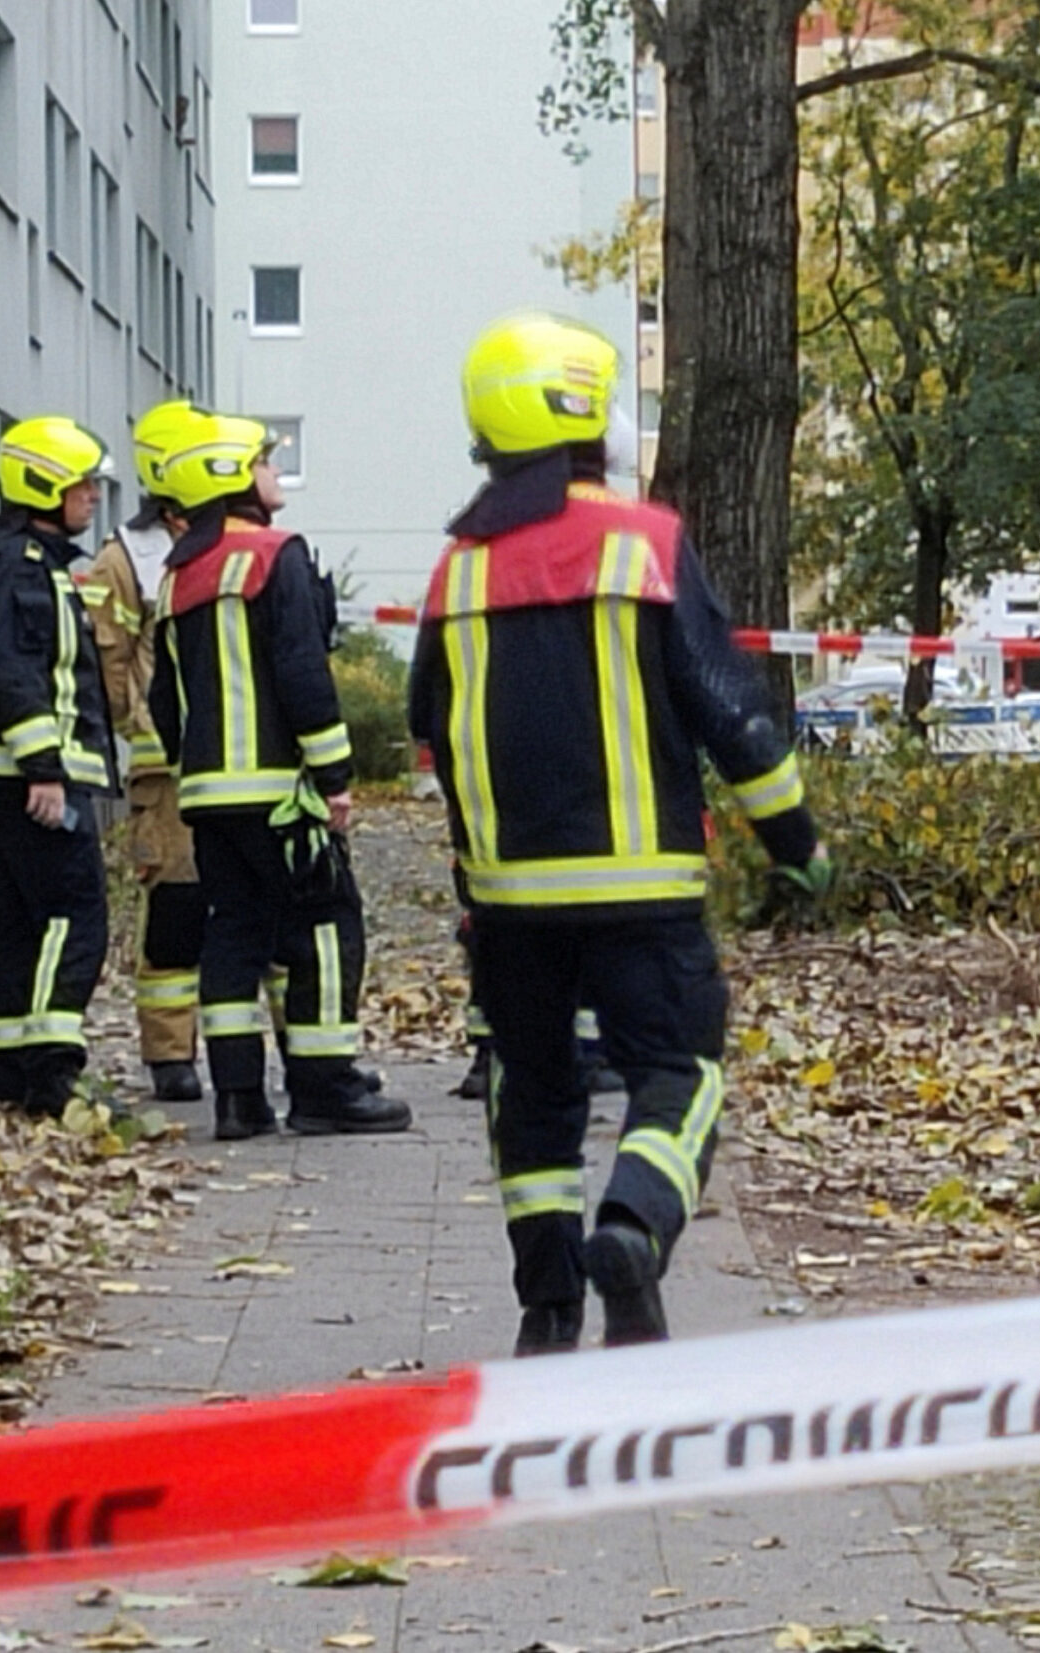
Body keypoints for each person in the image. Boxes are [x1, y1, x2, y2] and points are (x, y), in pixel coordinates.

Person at [409, 312, 831, 1357]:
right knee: (679, 1073)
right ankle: (634, 1227)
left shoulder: (458, 573)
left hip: (510, 904)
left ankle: (548, 1308)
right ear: (586, 416)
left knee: (531, 1094)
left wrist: (473, 878)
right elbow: (731, 713)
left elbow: (432, 727)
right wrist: (796, 844)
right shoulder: (645, 543)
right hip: (645, 895)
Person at [147, 411, 412, 1141]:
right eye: (264, 461)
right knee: (324, 923)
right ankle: (325, 1088)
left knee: (233, 933)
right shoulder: (274, 554)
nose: (272, 470)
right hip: (277, 794)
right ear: (234, 477)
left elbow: (163, 699)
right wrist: (334, 775)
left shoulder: (177, 577)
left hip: (207, 797)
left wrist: (194, 774)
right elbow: (302, 671)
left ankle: (238, 1098)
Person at [0, 416, 120, 1118]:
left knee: (21, 918)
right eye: (82, 484)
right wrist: (44, 768)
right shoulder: (21, 567)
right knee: (74, 914)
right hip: (32, 777)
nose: (92, 496)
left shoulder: (22, 561)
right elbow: (13, 673)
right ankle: (52, 1069)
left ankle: (11, 1063)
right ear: (45, 488)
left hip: (13, 773)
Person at [83, 400, 207, 1103]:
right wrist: (143, 736)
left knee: (265, 909)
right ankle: (169, 1054)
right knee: (176, 910)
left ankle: (287, 1052)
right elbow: (112, 664)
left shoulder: (238, 542)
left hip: (241, 764)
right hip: (167, 775)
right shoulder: (125, 559)